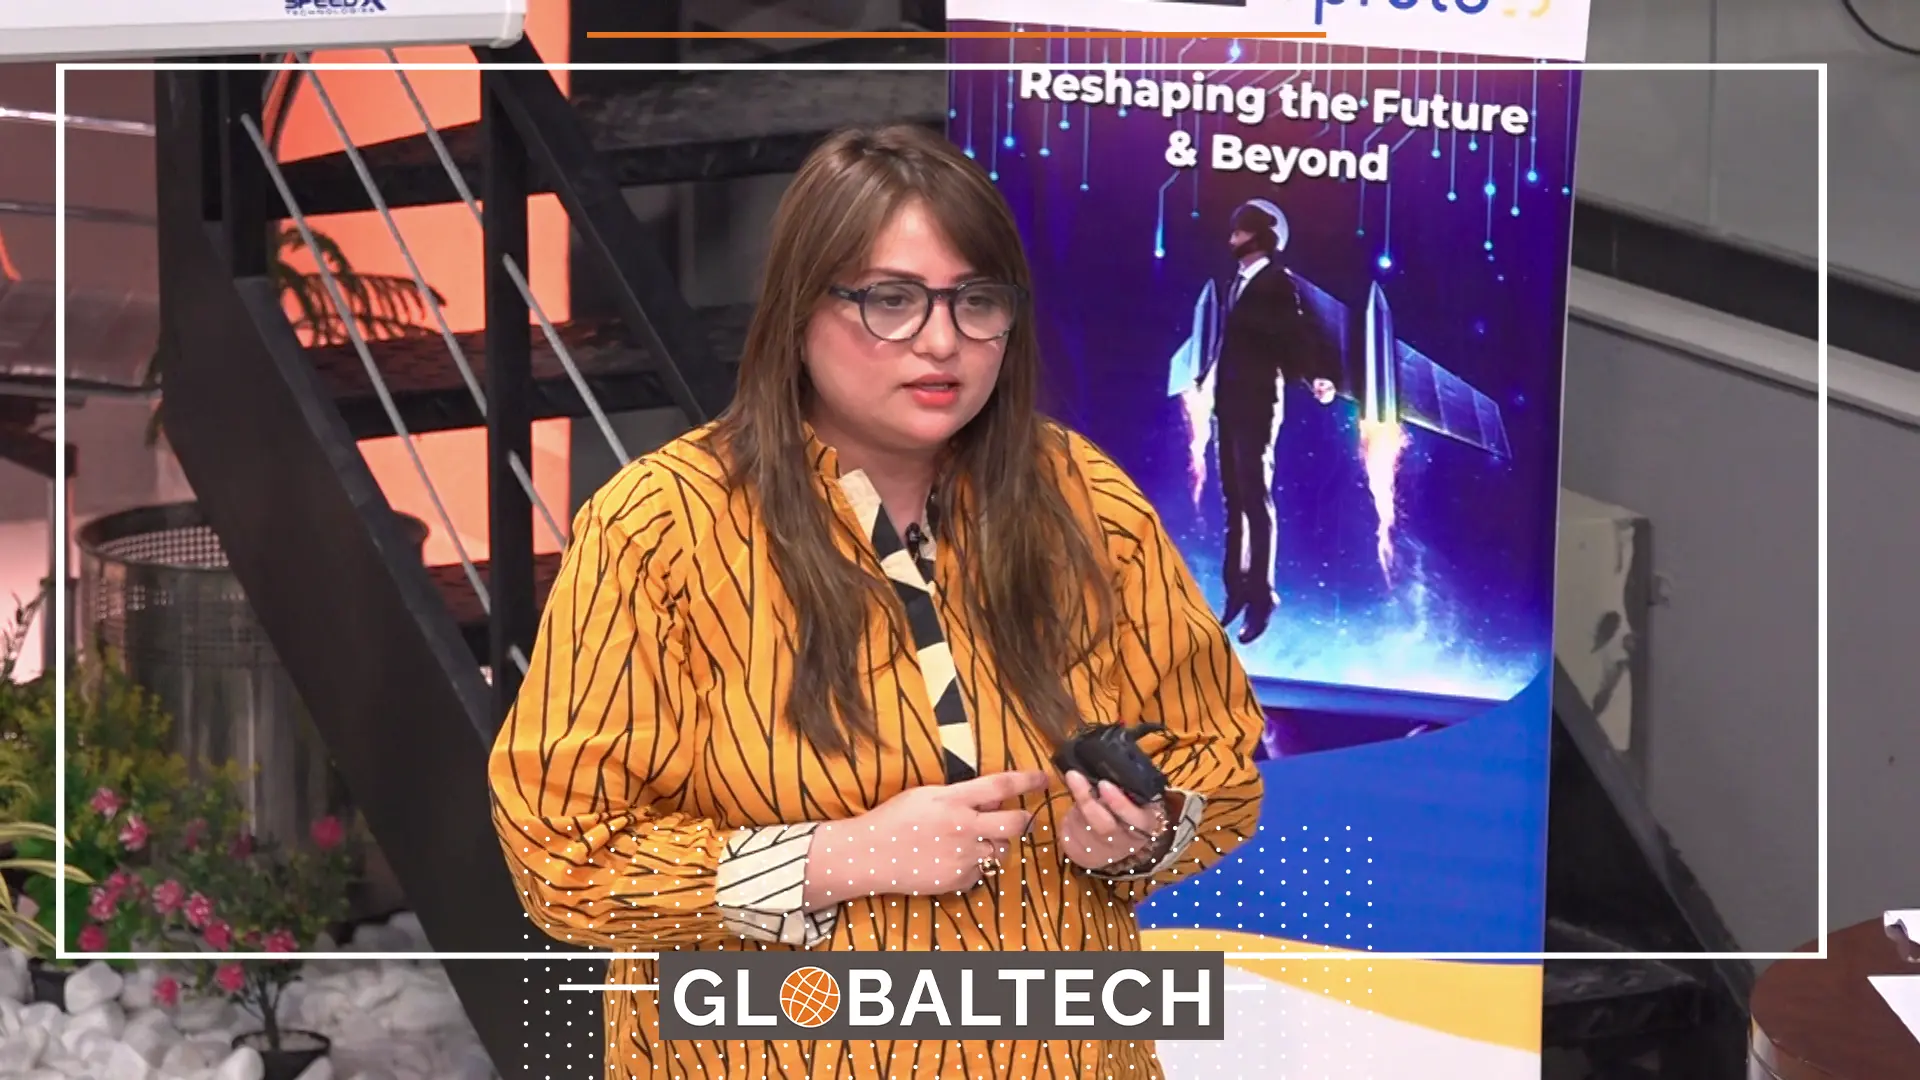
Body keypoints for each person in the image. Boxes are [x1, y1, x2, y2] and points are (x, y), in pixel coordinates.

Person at [487, 124, 1267, 1080]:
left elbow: (1219, 760)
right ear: (798, 310)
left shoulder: (1082, 495)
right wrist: (837, 858)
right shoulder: (659, 526)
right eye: (891, 300)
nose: (942, 341)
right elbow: (565, 855)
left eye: (977, 300)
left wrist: (1142, 835)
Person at [1209, 198, 1341, 645]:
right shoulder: (1235, 283)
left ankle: (1262, 596)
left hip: (1258, 404)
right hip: (1228, 404)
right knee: (1233, 498)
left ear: (1260, 237)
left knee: (1253, 497)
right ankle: (1236, 587)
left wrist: (1315, 375)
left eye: (1240, 232)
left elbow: (1294, 334)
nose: (1232, 239)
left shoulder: (1277, 283)